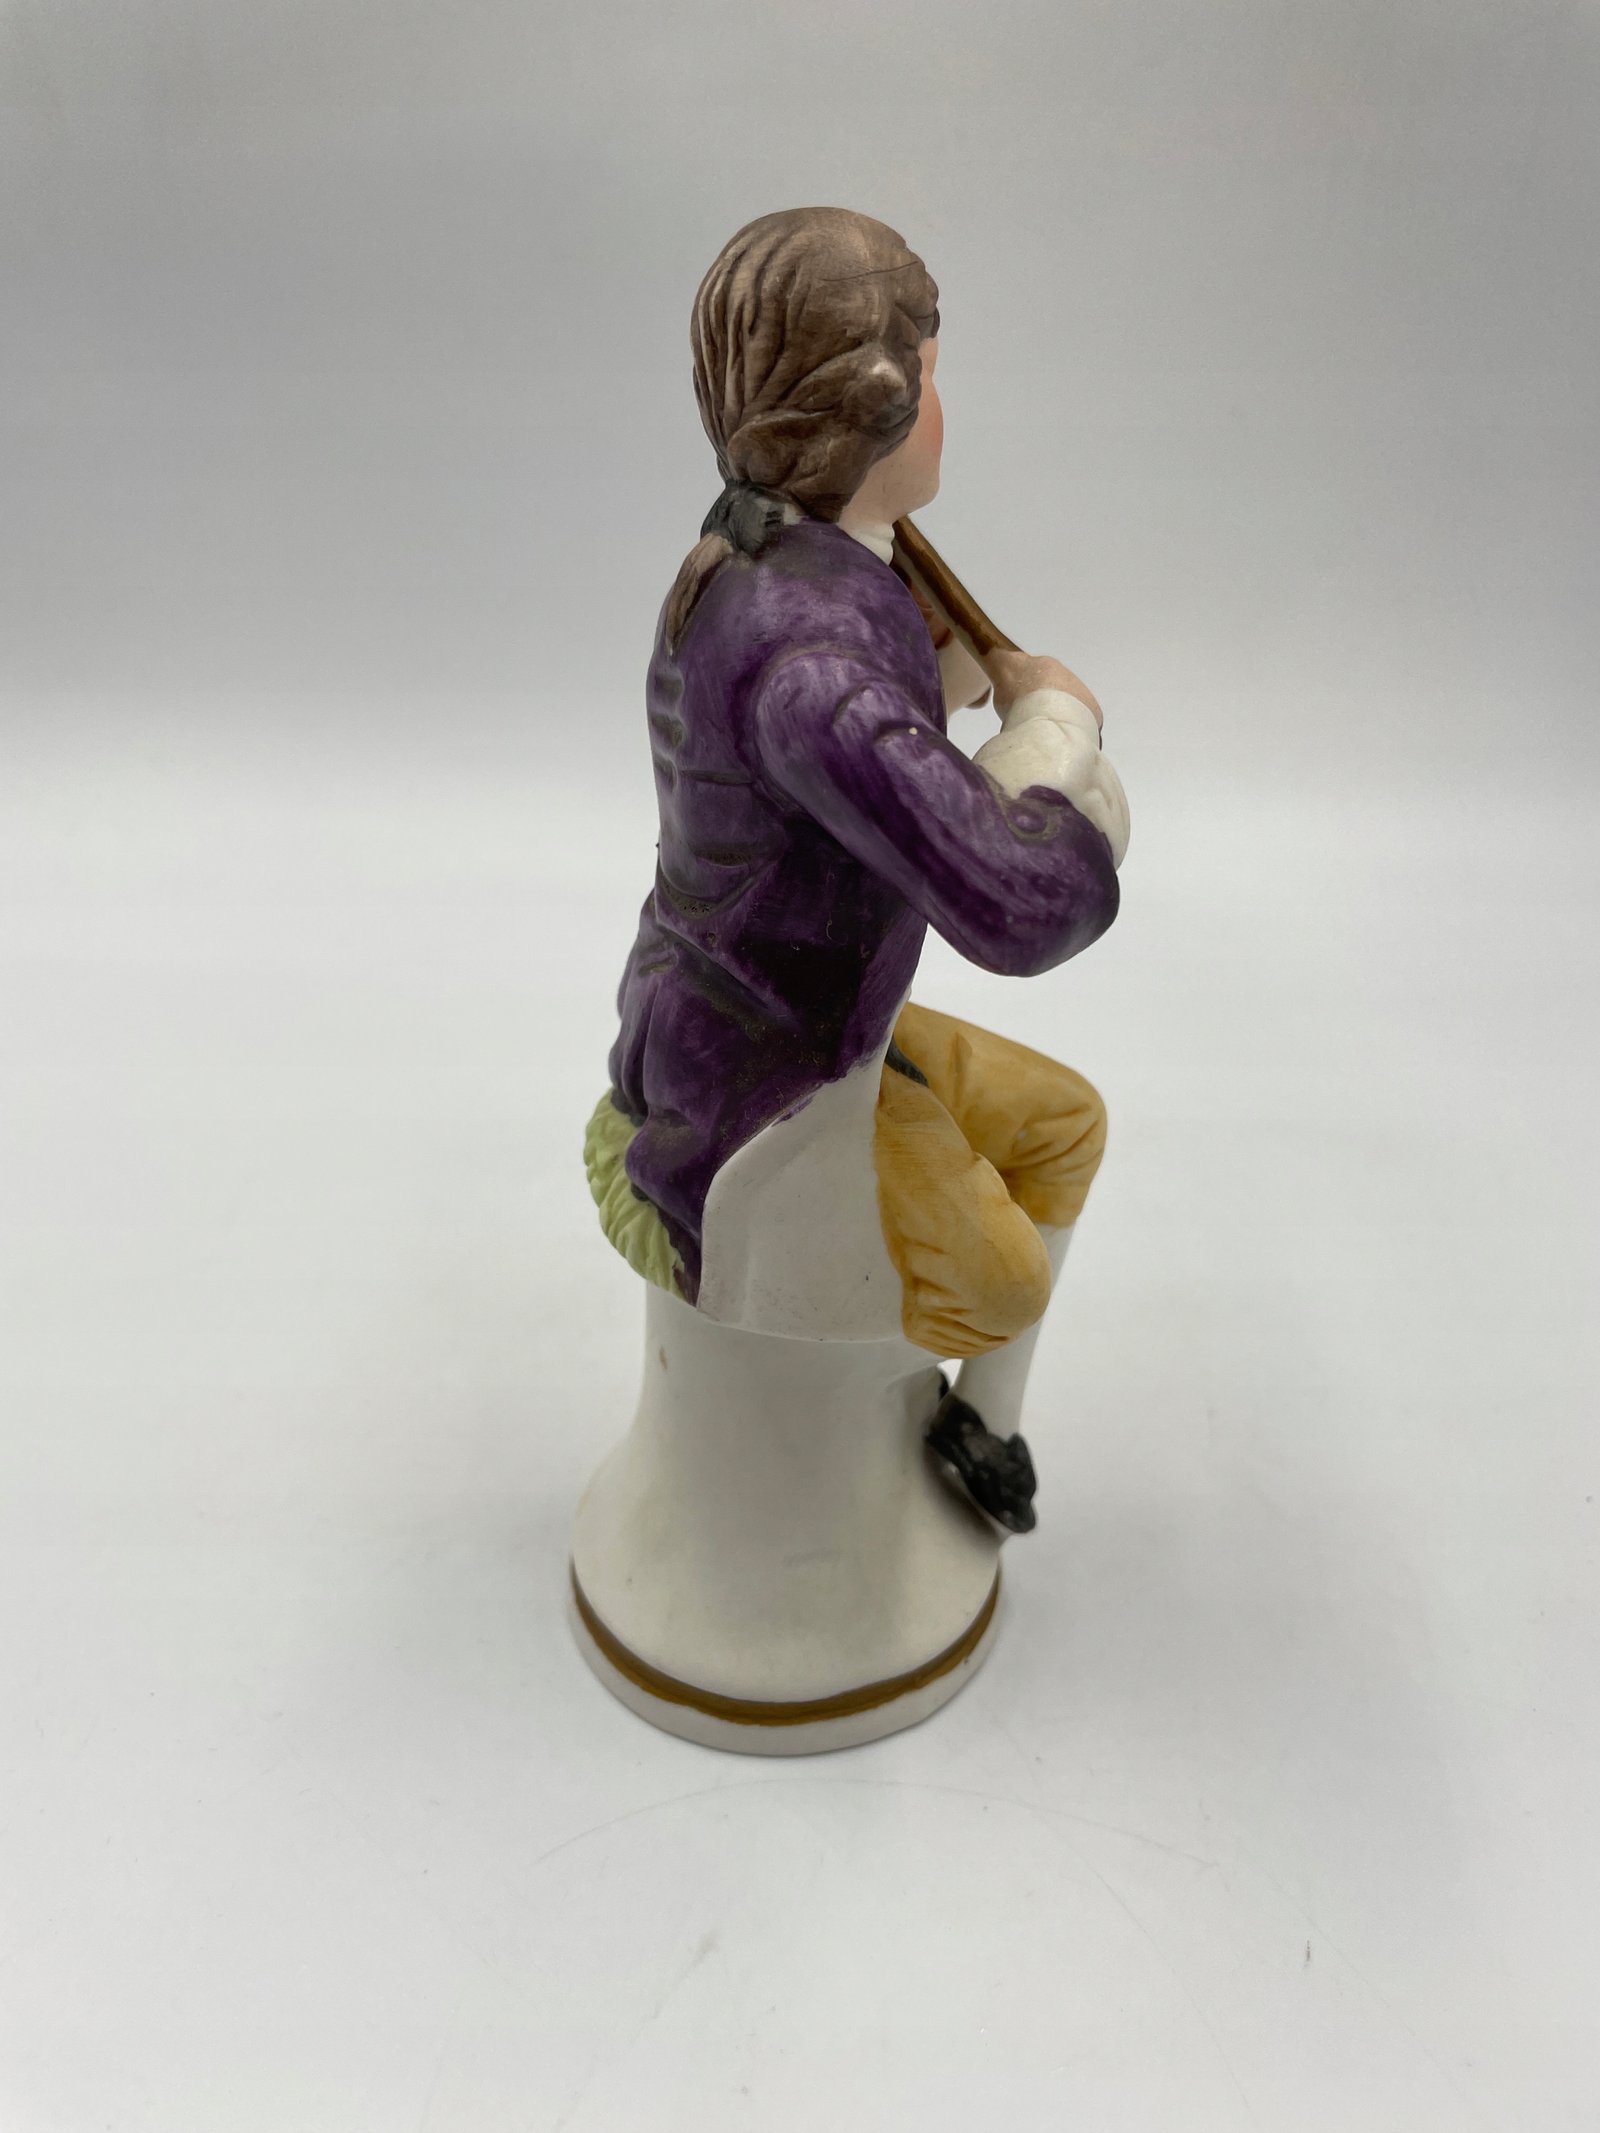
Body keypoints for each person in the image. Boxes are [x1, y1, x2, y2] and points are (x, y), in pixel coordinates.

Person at [585, 206, 1129, 1531]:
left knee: (1063, 1121)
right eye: (931, 378)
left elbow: (836, 775)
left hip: (810, 1009)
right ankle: (837, 1458)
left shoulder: (782, 560)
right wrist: (1056, 739)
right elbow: (1015, 904)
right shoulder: (808, 657)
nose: (944, 407)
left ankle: (981, 1428)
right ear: (869, 410)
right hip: (761, 1084)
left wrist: (940, 684)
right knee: (1004, 1279)